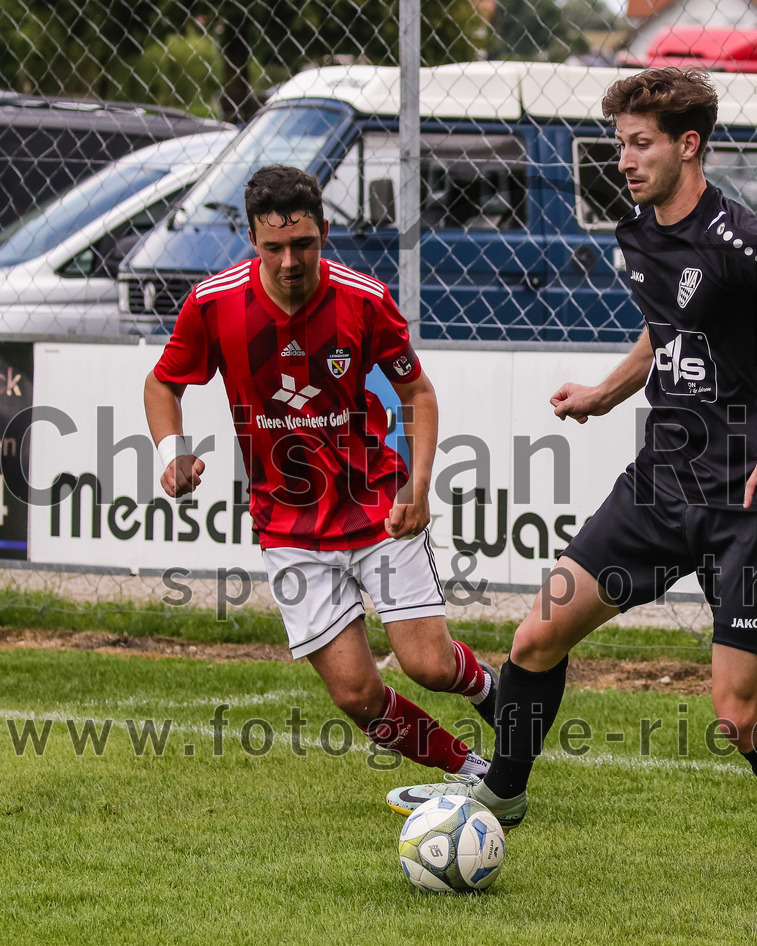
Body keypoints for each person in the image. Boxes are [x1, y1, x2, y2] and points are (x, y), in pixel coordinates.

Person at [385, 68, 757, 898]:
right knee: (537, 637)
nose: (624, 159)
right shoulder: (641, 229)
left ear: (689, 145)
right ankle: (503, 790)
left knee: (737, 712)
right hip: (659, 486)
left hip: (745, 503)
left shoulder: (740, 238)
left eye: (640, 143)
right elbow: (669, 327)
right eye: (620, 143)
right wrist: (607, 392)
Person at [144, 164, 497, 777]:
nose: (288, 261)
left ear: (324, 233)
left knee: (430, 666)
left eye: (302, 244)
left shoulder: (363, 299)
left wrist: (417, 485)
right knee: (357, 695)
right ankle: (476, 774)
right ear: (253, 241)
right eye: (274, 247)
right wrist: (170, 451)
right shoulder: (213, 304)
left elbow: (418, 395)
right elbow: (162, 383)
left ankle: (499, 696)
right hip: (289, 526)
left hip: (376, 505)